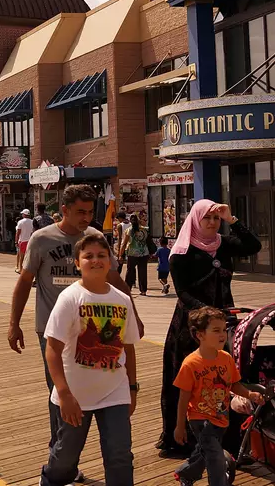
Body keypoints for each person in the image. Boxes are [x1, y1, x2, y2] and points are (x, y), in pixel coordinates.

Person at [9, 184, 143, 481]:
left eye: (89, 211)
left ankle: (64, 455)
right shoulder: (42, 239)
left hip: (96, 325)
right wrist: (13, 323)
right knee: (60, 393)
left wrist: (133, 311)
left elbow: (114, 279)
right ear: (65, 210)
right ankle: (63, 457)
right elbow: (25, 281)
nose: (85, 217)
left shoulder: (93, 240)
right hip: (53, 330)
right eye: (80, 211)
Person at [158, 199, 261, 458]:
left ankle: (224, 438)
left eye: (216, 219)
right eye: (208, 218)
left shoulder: (222, 244)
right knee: (189, 381)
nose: (213, 223)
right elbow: (182, 293)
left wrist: (232, 220)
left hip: (225, 321)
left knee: (222, 378)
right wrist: (208, 317)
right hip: (191, 326)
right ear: (196, 220)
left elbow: (253, 245)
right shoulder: (181, 253)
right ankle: (184, 438)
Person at [39, 234, 139, 486]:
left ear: (110, 260)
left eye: (102, 255)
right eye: (88, 256)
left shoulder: (122, 299)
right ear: (77, 263)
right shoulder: (70, 298)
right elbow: (52, 348)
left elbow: (128, 346)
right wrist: (63, 393)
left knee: (120, 454)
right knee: (66, 455)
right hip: (75, 393)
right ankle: (50, 480)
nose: (95, 260)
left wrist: (132, 387)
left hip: (115, 391)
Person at [173, 306, 264, 486]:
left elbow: (234, 385)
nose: (222, 334)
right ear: (200, 335)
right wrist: (179, 426)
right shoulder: (190, 364)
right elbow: (183, 398)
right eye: (216, 330)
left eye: (223, 329)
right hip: (200, 418)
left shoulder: (226, 358)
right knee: (215, 457)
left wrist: (250, 394)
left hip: (221, 418)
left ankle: (186, 472)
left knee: (204, 453)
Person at [120, 214, 155, 296]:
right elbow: (148, 241)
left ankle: (128, 288)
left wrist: (120, 254)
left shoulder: (130, 230)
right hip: (144, 253)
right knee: (142, 272)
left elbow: (124, 243)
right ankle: (143, 290)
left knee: (130, 271)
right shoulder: (145, 229)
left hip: (132, 253)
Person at [15, 208, 35, 274]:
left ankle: (20, 269)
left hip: (22, 241)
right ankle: (30, 270)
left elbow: (18, 232)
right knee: (30, 257)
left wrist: (16, 241)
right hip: (30, 241)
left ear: (24, 214)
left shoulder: (20, 222)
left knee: (22, 257)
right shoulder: (32, 222)